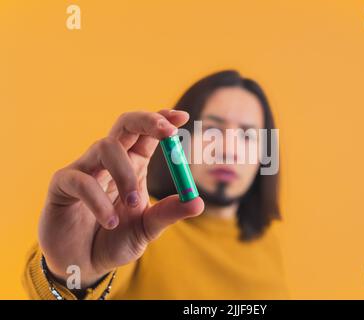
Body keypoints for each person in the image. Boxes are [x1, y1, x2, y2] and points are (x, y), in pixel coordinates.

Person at [22, 70, 288, 299]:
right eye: (212, 130)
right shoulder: (141, 225)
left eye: (248, 135)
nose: (229, 150)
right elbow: (81, 276)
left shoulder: (267, 242)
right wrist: (72, 274)